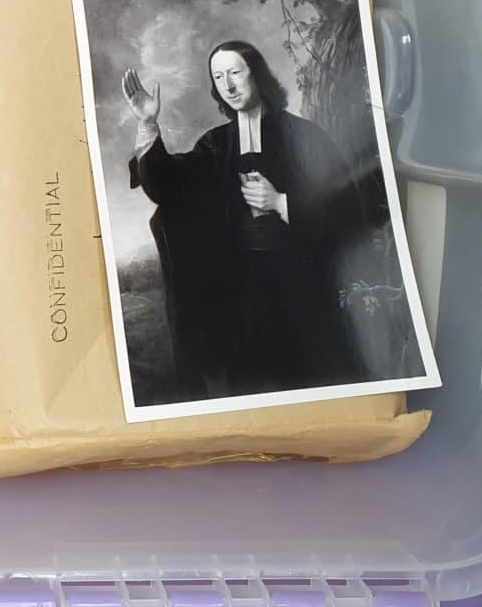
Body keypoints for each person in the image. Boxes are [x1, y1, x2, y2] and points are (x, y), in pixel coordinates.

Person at [122, 41, 366, 398]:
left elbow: (349, 209)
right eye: (219, 77)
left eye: (236, 73)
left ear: (259, 75)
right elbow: (169, 188)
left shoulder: (305, 137)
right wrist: (148, 124)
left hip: (301, 288)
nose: (229, 86)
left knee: (307, 381)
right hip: (240, 296)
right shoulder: (216, 145)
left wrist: (282, 203)